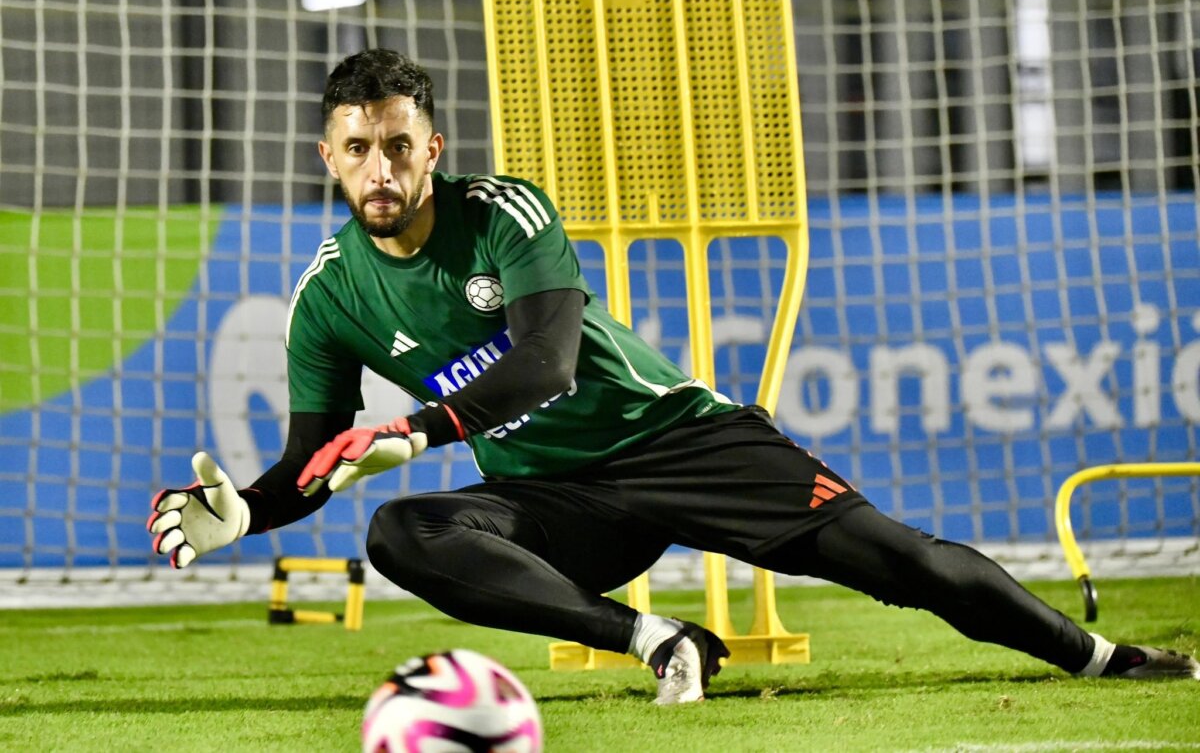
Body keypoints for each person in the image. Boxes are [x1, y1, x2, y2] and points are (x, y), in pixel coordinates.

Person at [148, 49, 1199, 703]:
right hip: (556, 500)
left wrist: (418, 432)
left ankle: (1102, 658)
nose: (382, 170)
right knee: (399, 535)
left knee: (904, 563)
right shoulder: (327, 296)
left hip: (683, 442)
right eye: (358, 150)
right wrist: (246, 513)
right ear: (327, 159)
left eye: (399, 146)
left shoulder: (506, 212)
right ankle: (658, 640)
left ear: (434, 147)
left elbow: (547, 365)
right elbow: (314, 459)